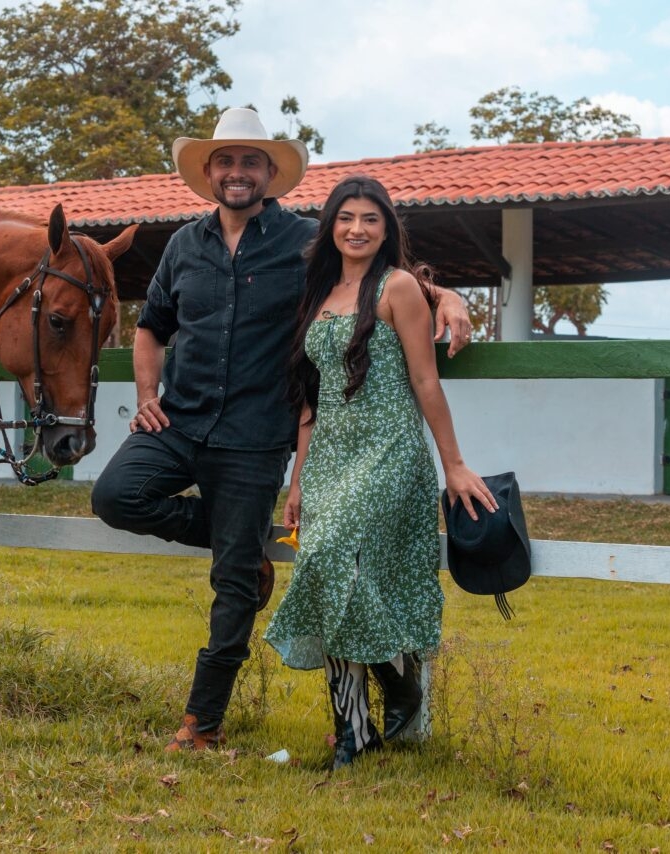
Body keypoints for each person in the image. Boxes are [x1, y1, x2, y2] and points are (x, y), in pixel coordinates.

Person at [90, 108, 474, 752]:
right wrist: (147, 392)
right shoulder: (184, 244)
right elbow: (151, 325)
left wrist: (449, 298)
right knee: (114, 497)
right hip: (178, 420)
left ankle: (201, 723)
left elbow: (374, 272)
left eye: (250, 162)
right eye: (225, 161)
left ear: (270, 173)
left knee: (233, 583)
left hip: (255, 434)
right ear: (208, 173)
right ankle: (236, 540)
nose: (236, 172)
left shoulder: (303, 241)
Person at [263, 174, 497, 769]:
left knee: (328, 556)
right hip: (329, 458)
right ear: (330, 227)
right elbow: (312, 402)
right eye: (346, 218)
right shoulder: (318, 293)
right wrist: (297, 480)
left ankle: (399, 681)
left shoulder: (396, 288)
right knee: (326, 570)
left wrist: (455, 464)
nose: (357, 229)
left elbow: (425, 379)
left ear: (388, 228)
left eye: (371, 219)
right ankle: (353, 732)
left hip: (390, 449)